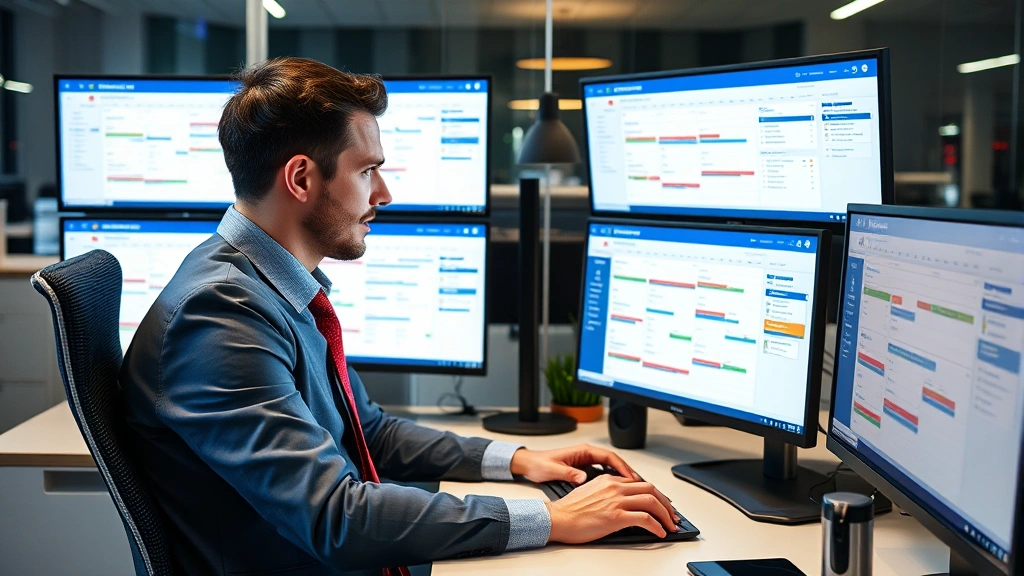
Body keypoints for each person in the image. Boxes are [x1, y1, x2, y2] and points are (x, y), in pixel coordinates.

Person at [119, 57, 678, 576]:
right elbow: (337, 516)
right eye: (367, 171)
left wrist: (521, 459)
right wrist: (553, 520)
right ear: (301, 178)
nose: (384, 193)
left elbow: (370, 433)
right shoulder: (220, 318)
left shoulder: (269, 288)